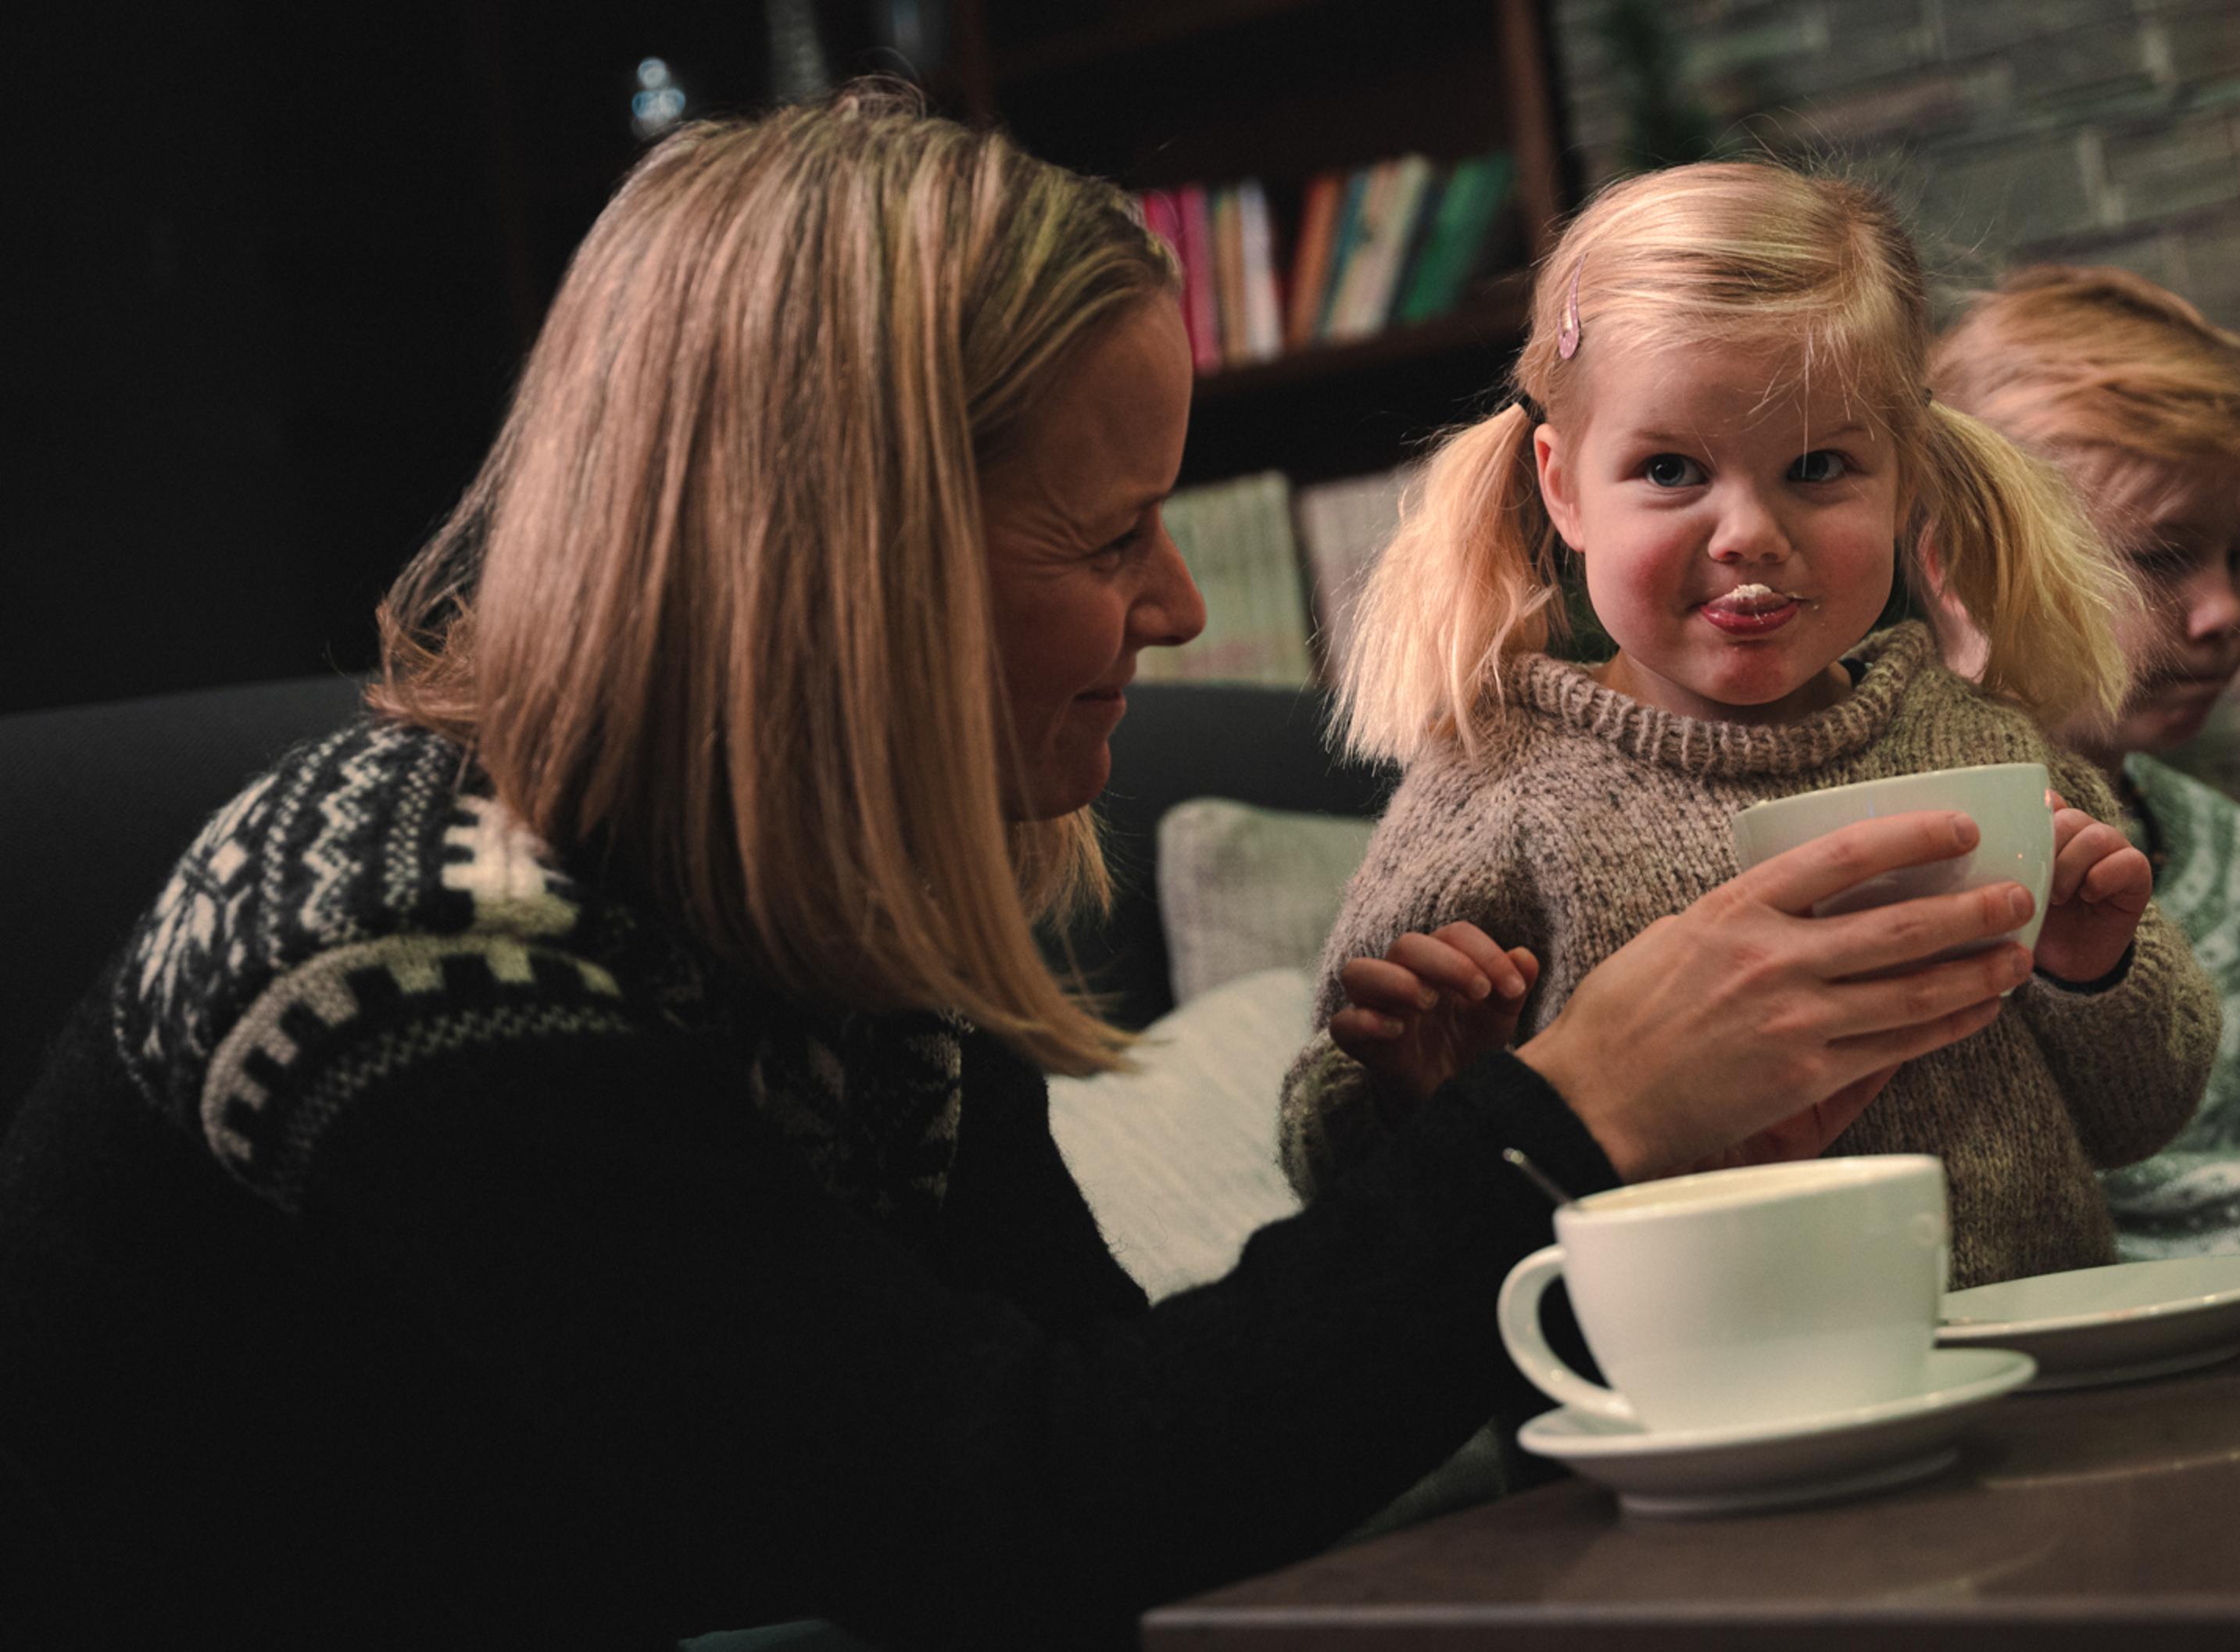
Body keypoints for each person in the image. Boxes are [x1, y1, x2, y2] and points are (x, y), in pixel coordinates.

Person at [0, 89, 2036, 1650]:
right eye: (1105, 538)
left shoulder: (808, 896)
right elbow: (1006, 1531)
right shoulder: (425, 962)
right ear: (846, 571)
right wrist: (1557, 1119)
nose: (1171, 603)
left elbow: (1088, 1414)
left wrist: (1498, 1159)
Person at [1278, 163, 2222, 1293]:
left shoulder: (1991, 751)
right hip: (1692, 1418)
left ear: (1905, 471)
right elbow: (1333, 1185)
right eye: (1670, 469)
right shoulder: (1499, 784)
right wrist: (1432, 1100)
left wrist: (2093, 971)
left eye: (1818, 467)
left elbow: (2144, 1116)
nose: (1750, 533)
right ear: (1563, 484)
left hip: (2039, 1381)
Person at [1929, 264, 2240, 1255]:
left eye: (2238, 557)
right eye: (2160, 558)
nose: (2226, 615)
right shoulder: (1918, 858)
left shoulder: (2233, 858)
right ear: (1968, 571)